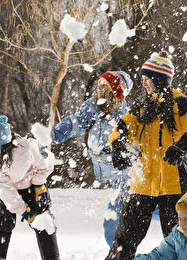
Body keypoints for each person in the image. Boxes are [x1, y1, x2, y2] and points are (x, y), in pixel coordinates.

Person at [96, 51, 187, 260]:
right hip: (142, 182)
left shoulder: (182, 105)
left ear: (159, 79)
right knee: (126, 236)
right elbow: (122, 126)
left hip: (173, 184)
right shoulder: (144, 107)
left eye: (147, 79)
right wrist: (117, 146)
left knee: (179, 238)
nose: (144, 84)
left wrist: (182, 145)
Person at [0, 115, 72, 260]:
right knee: (0, 225)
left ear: (1, 141)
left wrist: (38, 185)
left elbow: (46, 163)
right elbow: (5, 191)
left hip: (33, 187)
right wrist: (24, 211)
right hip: (12, 193)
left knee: (44, 222)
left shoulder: (27, 148)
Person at [51, 70, 134, 246]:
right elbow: (74, 122)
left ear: (114, 92)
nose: (99, 89)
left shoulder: (124, 117)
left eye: (105, 86)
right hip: (112, 173)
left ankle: (118, 256)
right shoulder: (93, 107)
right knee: (138, 210)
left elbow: (135, 145)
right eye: (99, 85)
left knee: (114, 221)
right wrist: (53, 135)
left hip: (125, 175)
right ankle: (174, 211)